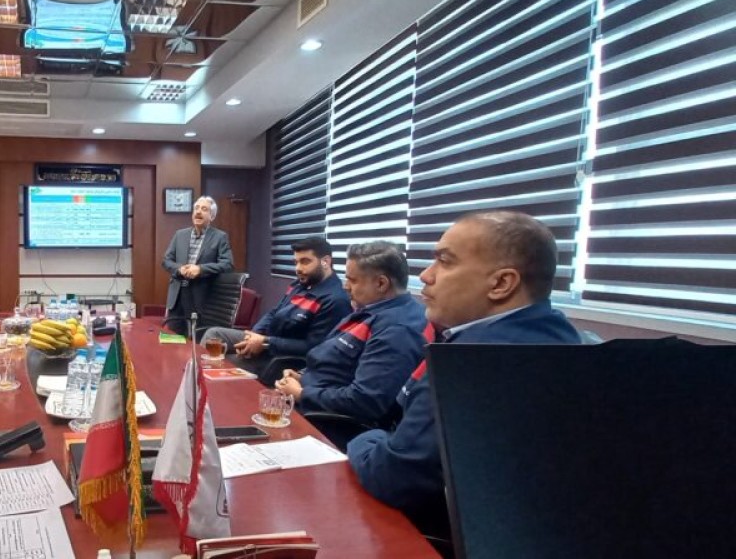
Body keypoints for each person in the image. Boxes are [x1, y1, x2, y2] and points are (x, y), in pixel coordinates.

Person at [346, 211, 581, 537]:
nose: (426, 275)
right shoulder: (556, 334)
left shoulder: (475, 362)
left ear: (501, 283)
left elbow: (394, 477)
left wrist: (362, 439)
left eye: (445, 261)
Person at [275, 241, 429, 444]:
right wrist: (302, 375)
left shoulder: (398, 329)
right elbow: (332, 360)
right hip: (309, 400)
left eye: (352, 280)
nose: (345, 286)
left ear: (381, 284)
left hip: (325, 422)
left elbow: (365, 400)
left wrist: (302, 393)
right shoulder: (369, 310)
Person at [201, 236, 348, 376]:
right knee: (214, 335)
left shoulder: (335, 300)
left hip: (282, 359)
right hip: (267, 341)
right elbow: (274, 312)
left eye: (305, 262)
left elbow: (314, 347)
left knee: (217, 363)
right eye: (296, 262)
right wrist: (254, 335)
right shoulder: (300, 284)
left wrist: (266, 343)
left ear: (325, 261)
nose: (298, 268)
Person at [162, 195, 234, 335]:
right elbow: (166, 260)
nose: (198, 212)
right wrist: (179, 269)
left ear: (212, 216)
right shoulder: (180, 235)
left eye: (204, 209)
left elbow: (228, 264)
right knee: (174, 339)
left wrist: (201, 269)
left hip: (201, 298)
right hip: (177, 296)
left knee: (196, 338)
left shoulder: (219, 237)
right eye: (196, 208)